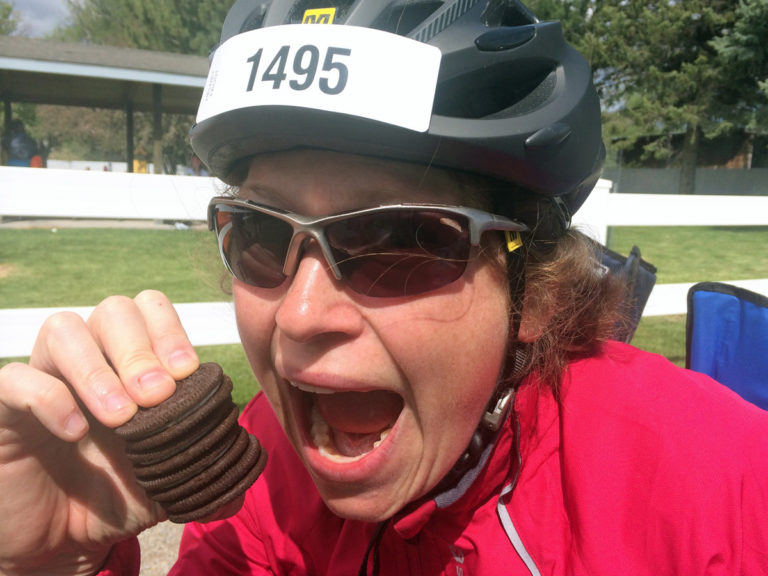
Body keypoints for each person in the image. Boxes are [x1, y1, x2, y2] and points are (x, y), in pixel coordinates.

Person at [1, 1, 767, 574]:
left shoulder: (723, 492)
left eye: (400, 241)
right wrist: (46, 563)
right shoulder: (268, 469)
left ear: (533, 292)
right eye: (262, 236)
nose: (300, 316)